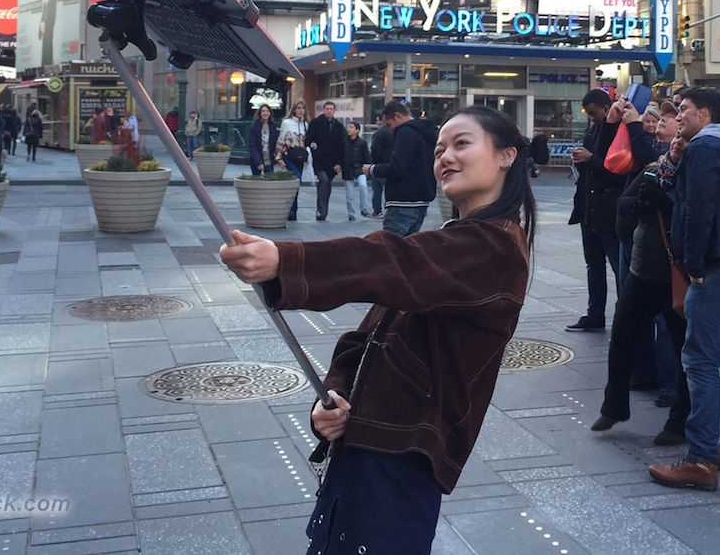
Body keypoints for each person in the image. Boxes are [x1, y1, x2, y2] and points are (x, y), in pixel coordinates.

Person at [219, 106, 535, 553]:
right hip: (362, 447)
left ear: (506, 155)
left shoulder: (495, 247)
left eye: (461, 144)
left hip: (401, 461)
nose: (445, 156)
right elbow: (362, 338)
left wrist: (285, 261)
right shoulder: (460, 236)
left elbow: (390, 261)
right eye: (439, 149)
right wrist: (333, 395)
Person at [648, 88, 720, 492]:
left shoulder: (706, 147)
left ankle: (700, 459)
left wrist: (693, 264)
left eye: (684, 110)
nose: (679, 116)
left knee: (699, 358)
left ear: (704, 114)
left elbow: (699, 209)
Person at [592, 131, 693, 440]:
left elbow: (693, 218)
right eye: (676, 137)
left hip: (675, 275)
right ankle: (614, 406)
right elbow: (622, 203)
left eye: (685, 139)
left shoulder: (695, 174)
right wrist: (641, 203)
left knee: (682, 348)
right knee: (622, 336)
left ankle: (679, 421)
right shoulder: (654, 168)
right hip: (641, 270)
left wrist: (664, 204)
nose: (677, 142)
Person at [564, 89, 631, 332]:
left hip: (608, 211)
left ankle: (624, 315)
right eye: (588, 114)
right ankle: (595, 313)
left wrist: (590, 159)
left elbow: (617, 173)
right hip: (590, 209)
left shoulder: (619, 132)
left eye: (593, 113)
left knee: (618, 266)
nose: (591, 118)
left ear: (606, 108)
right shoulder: (592, 132)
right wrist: (583, 162)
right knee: (594, 265)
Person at [365, 100, 440, 236]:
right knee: (408, 245)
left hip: (402, 199)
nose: (389, 130)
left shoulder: (405, 132)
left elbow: (397, 167)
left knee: (391, 244)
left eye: (389, 124)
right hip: (422, 200)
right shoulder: (427, 131)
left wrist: (372, 170)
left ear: (398, 116)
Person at [305, 101, 347, 221]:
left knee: (327, 186)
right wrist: (312, 144)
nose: (329, 111)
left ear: (334, 111)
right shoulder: (315, 123)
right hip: (319, 160)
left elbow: (341, 147)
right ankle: (321, 210)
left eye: (331, 109)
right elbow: (308, 139)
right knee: (323, 180)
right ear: (323, 110)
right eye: (327, 109)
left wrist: (339, 163)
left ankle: (323, 211)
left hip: (332, 162)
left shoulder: (339, 126)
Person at [278, 101, 309, 222]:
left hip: (300, 157)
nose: (301, 111)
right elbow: (280, 140)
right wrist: (279, 158)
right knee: (297, 178)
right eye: (298, 108)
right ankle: (290, 209)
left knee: (295, 185)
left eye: (303, 108)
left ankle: (293, 211)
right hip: (288, 155)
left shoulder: (306, 124)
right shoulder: (287, 123)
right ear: (294, 110)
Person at [341, 122, 371, 220]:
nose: (349, 129)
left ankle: (364, 208)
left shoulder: (362, 143)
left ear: (357, 130)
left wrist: (367, 167)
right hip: (347, 169)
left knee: (363, 186)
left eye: (351, 127)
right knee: (349, 194)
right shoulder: (344, 142)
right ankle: (351, 213)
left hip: (359, 169)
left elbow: (367, 156)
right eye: (348, 127)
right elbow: (340, 155)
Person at [369, 113, 393, 218]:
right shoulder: (396, 131)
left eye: (378, 120)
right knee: (390, 188)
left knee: (377, 189)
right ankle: (389, 209)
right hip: (392, 163)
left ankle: (377, 211)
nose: (376, 122)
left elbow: (375, 149)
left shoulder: (380, 132)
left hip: (380, 164)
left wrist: (374, 165)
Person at [247, 103, 281, 175]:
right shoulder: (254, 127)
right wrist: (259, 162)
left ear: (270, 113)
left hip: (269, 160)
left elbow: (275, 143)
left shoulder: (273, 126)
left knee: (270, 179)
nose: (265, 113)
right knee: (256, 180)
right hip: (256, 161)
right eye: (263, 111)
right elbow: (252, 146)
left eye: (267, 111)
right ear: (260, 113)